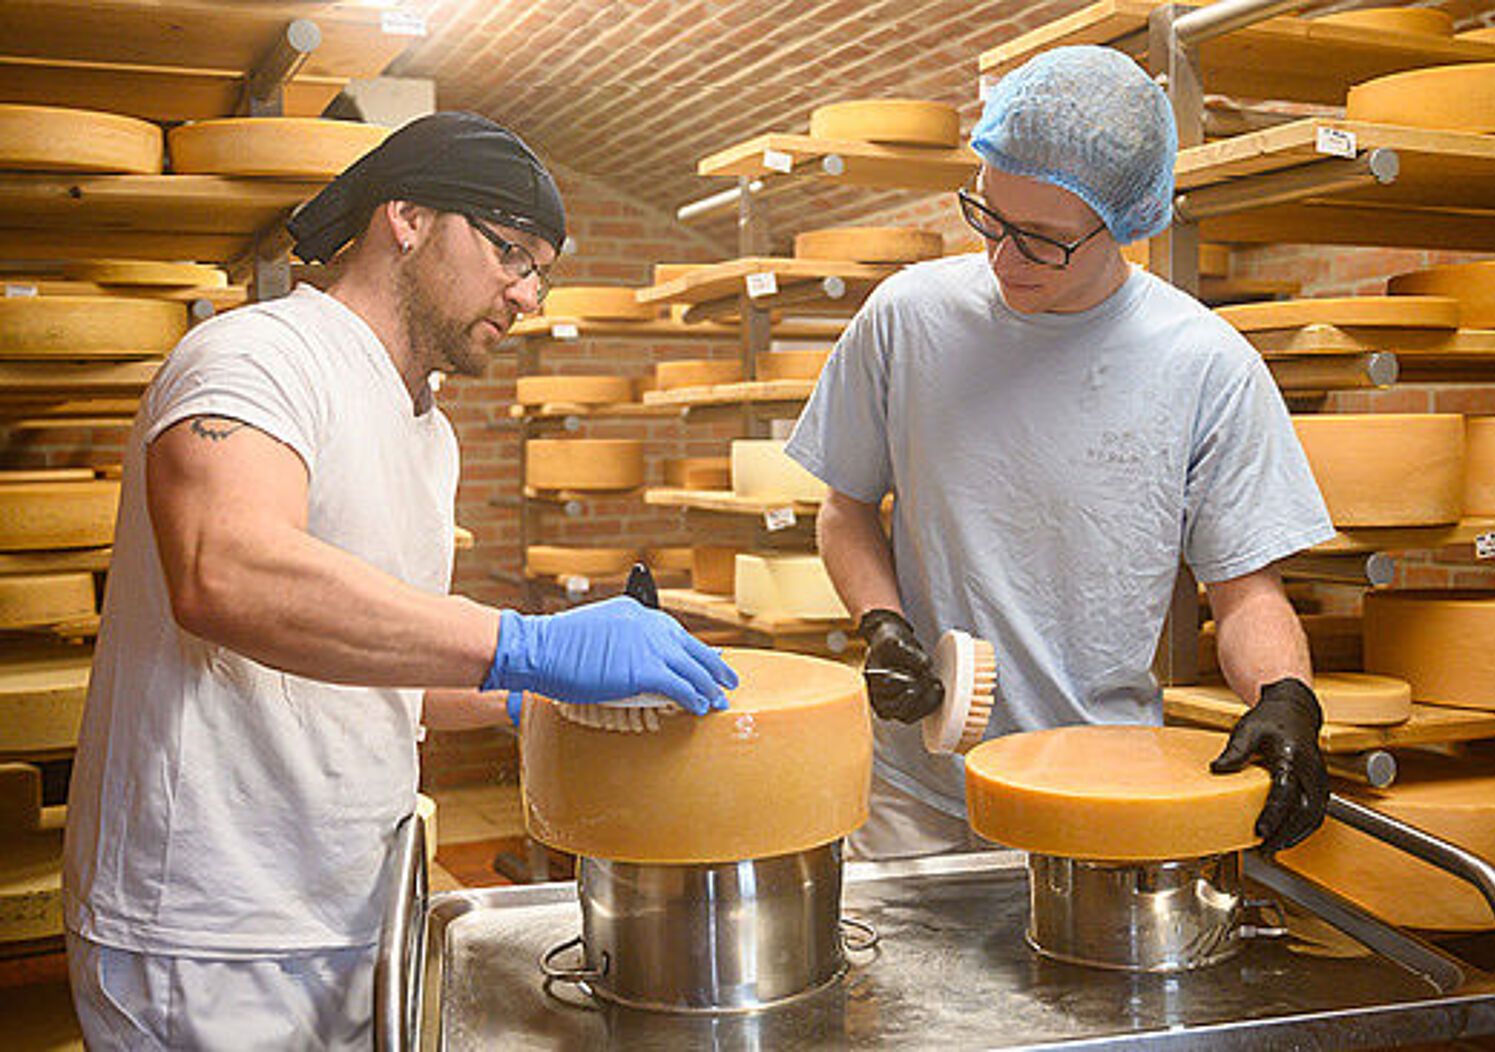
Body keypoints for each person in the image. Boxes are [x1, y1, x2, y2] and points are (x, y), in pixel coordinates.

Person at [62, 112, 736, 1049]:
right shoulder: (259, 358)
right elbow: (225, 571)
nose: (529, 294)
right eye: (511, 253)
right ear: (408, 217)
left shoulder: (429, 428)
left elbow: (386, 665)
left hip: (353, 908)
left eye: (541, 269)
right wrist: (522, 643)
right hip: (215, 933)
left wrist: (534, 696)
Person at [786, 47, 1333, 862]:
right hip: (917, 794)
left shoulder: (1206, 365)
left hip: (1101, 787)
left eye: (1040, 241)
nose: (1004, 260)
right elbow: (847, 507)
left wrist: (1287, 698)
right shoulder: (907, 317)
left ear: (1124, 223)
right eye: (990, 220)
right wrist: (883, 624)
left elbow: (1247, 590)